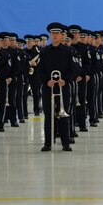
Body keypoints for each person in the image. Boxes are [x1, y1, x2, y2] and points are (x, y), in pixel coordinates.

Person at [37, 23, 78, 152]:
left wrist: (65, 81)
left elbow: (74, 69)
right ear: (50, 35)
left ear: (61, 35)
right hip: (48, 88)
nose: (54, 36)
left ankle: (66, 143)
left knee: (64, 115)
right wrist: (46, 81)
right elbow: (40, 70)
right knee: (48, 116)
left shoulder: (68, 51)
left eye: (57, 33)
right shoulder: (44, 52)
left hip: (63, 88)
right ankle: (48, 143)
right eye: (53, 33)